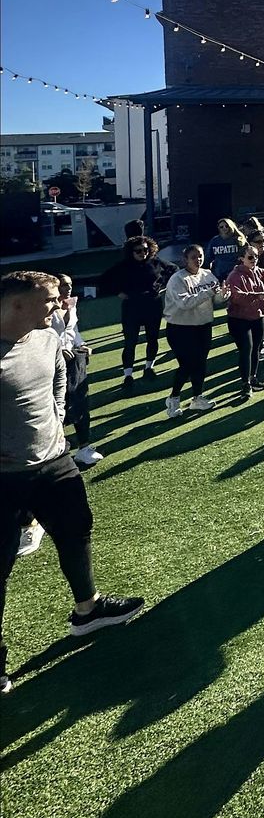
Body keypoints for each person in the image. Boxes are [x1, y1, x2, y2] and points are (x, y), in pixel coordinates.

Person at [1, 270, 144, 693]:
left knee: (76, 532)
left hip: (54, 462)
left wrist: (58, 416)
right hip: (3, 479)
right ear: (17, 304)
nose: (60, 305)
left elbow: (59, 374)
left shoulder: (46, 338)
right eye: (50, 299)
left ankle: (88, 610)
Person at [163, 245, 225, 416]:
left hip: (203, 326)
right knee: (187, 365)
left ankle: (197, 397)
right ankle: (174, 398)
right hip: (180, 329)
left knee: (201, 363)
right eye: (193, 257)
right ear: (185, 260)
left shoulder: (207, 275)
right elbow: (185, 304)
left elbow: (216, 298)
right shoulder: (177, 279)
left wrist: (224, 294)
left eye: (200, 256)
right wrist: (208, 292)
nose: (198, 260)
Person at [51, 274, 99, 467]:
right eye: (63, 285)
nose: (68, 288)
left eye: (70, 285)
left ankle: (84, 447)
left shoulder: (71, 304)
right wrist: (57, 350)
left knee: (81, 399)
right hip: (52, 363)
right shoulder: (46, 309)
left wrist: (83, 344)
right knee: (57, 405)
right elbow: (42, 333)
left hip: (75, 359)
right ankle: (57, 449)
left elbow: (73, 331)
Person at [111, 235, 170, 390]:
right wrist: (119, 293)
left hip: (153, 305)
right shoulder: (124, 266)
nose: (142, 253)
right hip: (132, 307)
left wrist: (162, 286)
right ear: (131, 251)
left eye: (145, 250)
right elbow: (108, 281)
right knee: (130, 342)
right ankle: (128, 375)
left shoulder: (156, 262)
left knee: (153, 338)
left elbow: (173, 270)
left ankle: (149, 367)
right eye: (138, 251)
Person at [224, 243, 264, 401]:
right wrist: (257, 295)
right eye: (250, 257)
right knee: (246, 349)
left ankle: (252, 378)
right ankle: (245, 384)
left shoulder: (262, 272)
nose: (254, 259)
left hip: (258, 316)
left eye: (256, 256)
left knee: (256, 348)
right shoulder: (235, 275)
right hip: (239, 319)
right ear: (242, 259)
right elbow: (236, 296)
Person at [206, 217, 245, 284]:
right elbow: (209, 256)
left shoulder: (238, 239)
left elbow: (246, 254)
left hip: (236, 273)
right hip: (219, 274)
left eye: (226, 226)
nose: (224, 228)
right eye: (221, 227)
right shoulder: (214, 241)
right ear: (218, 228)